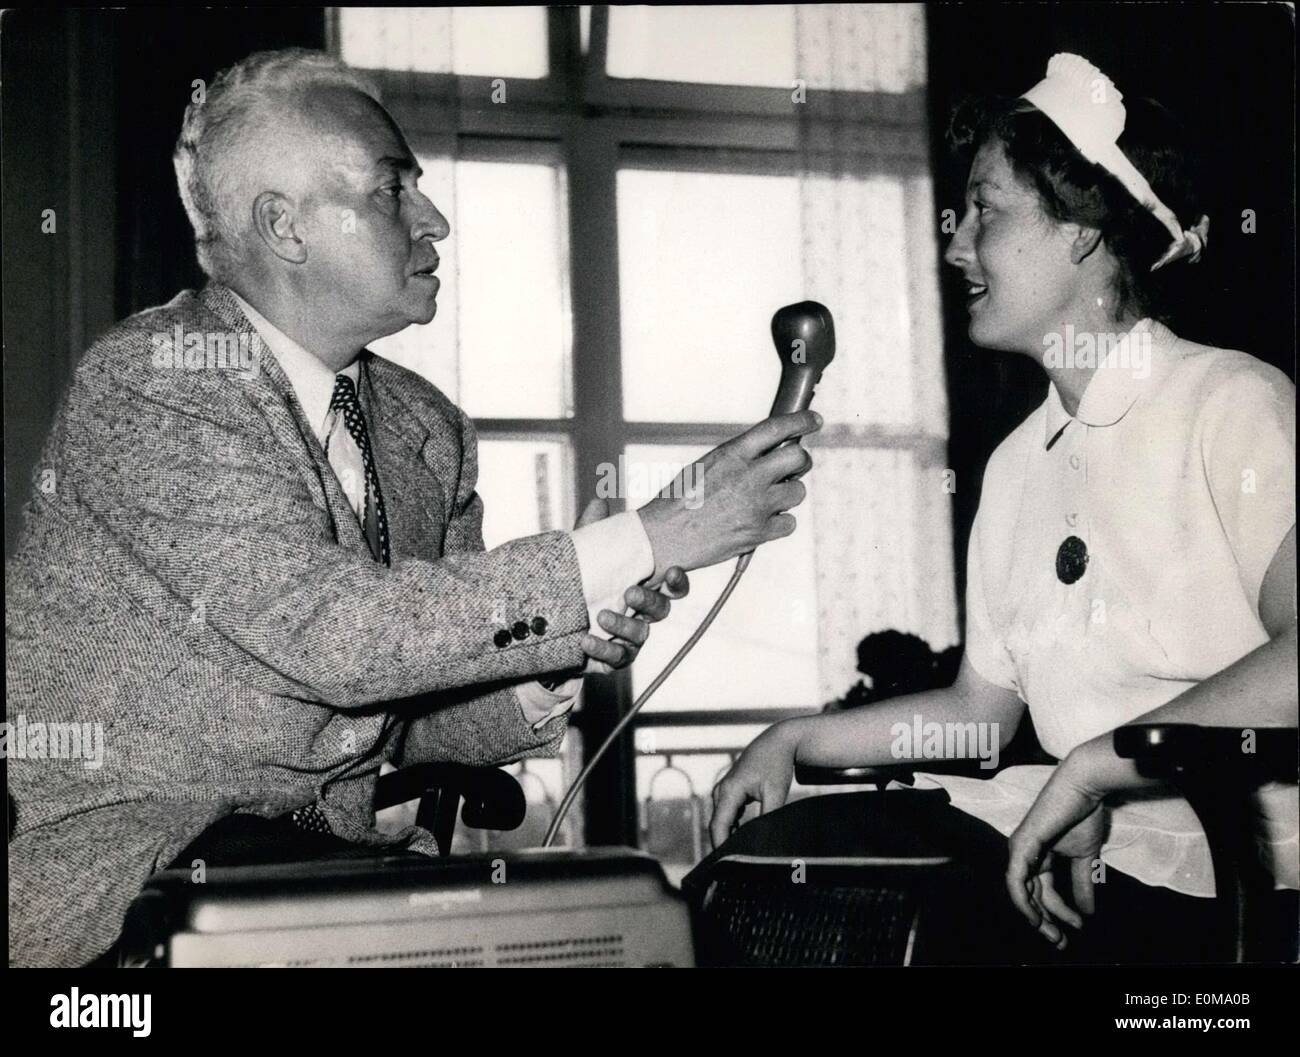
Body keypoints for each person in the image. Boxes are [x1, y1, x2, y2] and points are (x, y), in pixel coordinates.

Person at [4, 48, 820, 967]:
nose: (434, 220)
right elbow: (335, 639)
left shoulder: (426, 430)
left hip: (322, 890)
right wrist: (652, 534)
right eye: (393, 190)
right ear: (285, 226)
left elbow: (419, 723)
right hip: (125, 911)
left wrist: (548, 666)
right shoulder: (154, 385)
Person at [710, 53, 1296, 963]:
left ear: (1084, 231)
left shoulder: (1233, 404)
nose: (954, 246)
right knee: (780, 888)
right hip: (1084, 869)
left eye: (987, 210)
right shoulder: (1019, 462)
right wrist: (794, 739)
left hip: (1239, 892)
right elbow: (983, 712)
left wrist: (1105, 761)